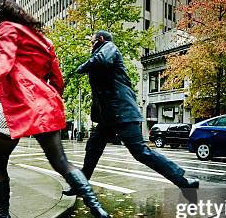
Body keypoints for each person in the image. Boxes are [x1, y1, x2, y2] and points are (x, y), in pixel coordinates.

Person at [0, 0, 115, 218]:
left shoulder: (7, 27)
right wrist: (50, 99)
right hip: (44, 104)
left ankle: (2, 216)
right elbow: (58, 79)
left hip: (13, 106)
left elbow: (3, 61)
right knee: (61, 162)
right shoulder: (45, 41)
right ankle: (97, 208)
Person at [62, 30, 199, 196]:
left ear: (101, 39)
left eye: (92, 42)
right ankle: (80, 186)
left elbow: (102, 60)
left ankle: (183, 181)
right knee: (93, 147)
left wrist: (82, 67)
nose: (91, 45)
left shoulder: (108, 47)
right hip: (109, 116)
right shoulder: (99, 55)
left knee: (140, 152)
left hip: (123, 112)